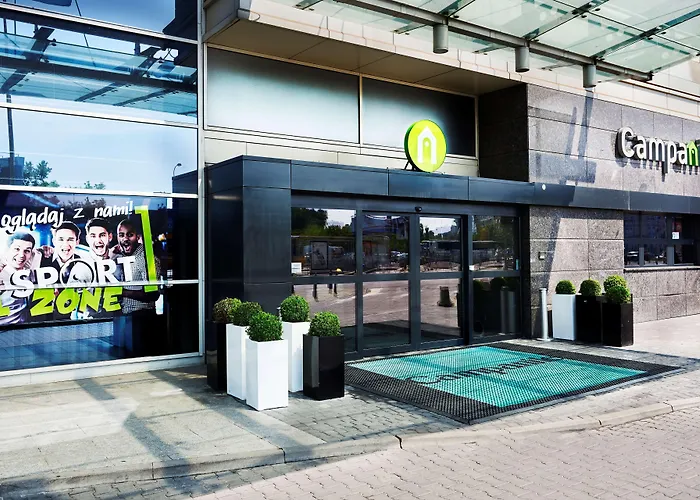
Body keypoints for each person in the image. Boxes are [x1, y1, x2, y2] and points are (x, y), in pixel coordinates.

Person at [111, 217, 161, 314]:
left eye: (130, 235)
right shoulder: (120, 255)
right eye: (121, 235)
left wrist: (122, 292)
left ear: (137, 237)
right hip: (124, 315)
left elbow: (153, 294)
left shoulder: (146, 259)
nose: (125, 239)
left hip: (142, 315)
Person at [0, 232, 39, 325]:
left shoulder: (30, 273)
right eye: (16, 249)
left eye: (27, 251)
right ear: (7, 250)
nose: (21, 255)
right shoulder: (2, 274)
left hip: (26, 328)